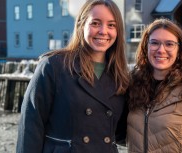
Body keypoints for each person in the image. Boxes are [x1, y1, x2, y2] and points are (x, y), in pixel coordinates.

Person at [16, 0, 129, 152]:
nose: (103, 31)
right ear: (81, 25)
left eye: (111, 25)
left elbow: (125, 132)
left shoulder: (121, 76)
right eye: (95, 23)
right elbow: (30, 125)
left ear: (118, 31)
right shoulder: (54, 66)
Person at [126, 18, 182, 153]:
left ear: (179, 49)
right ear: (146, 46)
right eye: (155, 43)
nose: (161, 50)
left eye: (169, 44)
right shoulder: (133, 86)